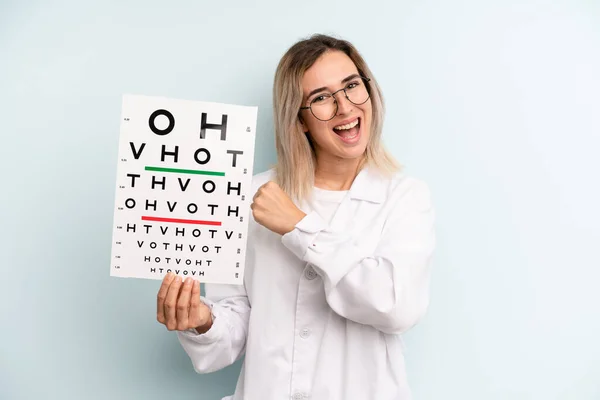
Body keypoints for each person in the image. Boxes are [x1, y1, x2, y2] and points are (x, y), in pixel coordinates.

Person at [155, 33, 436, 400]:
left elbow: (396, 307)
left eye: (352, 86)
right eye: (321, 98)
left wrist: (300, 228)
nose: (345, 108)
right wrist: (202, 322)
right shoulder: (250, 199)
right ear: (299, 119)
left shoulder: (405, 197)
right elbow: (235, 326)